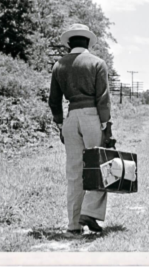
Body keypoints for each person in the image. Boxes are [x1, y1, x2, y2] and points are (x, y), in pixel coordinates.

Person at [48, 24, 114, 236]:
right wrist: (106, 125)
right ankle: (89, 211)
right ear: (88, 43)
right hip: (92, 116)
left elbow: (54, 100)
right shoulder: (97, 63)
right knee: (99, 166)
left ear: (69, 43)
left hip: (70, 117)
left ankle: (73, 225)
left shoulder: (58, 65)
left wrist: (60, 123)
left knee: (74, 173)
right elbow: (103, 99)